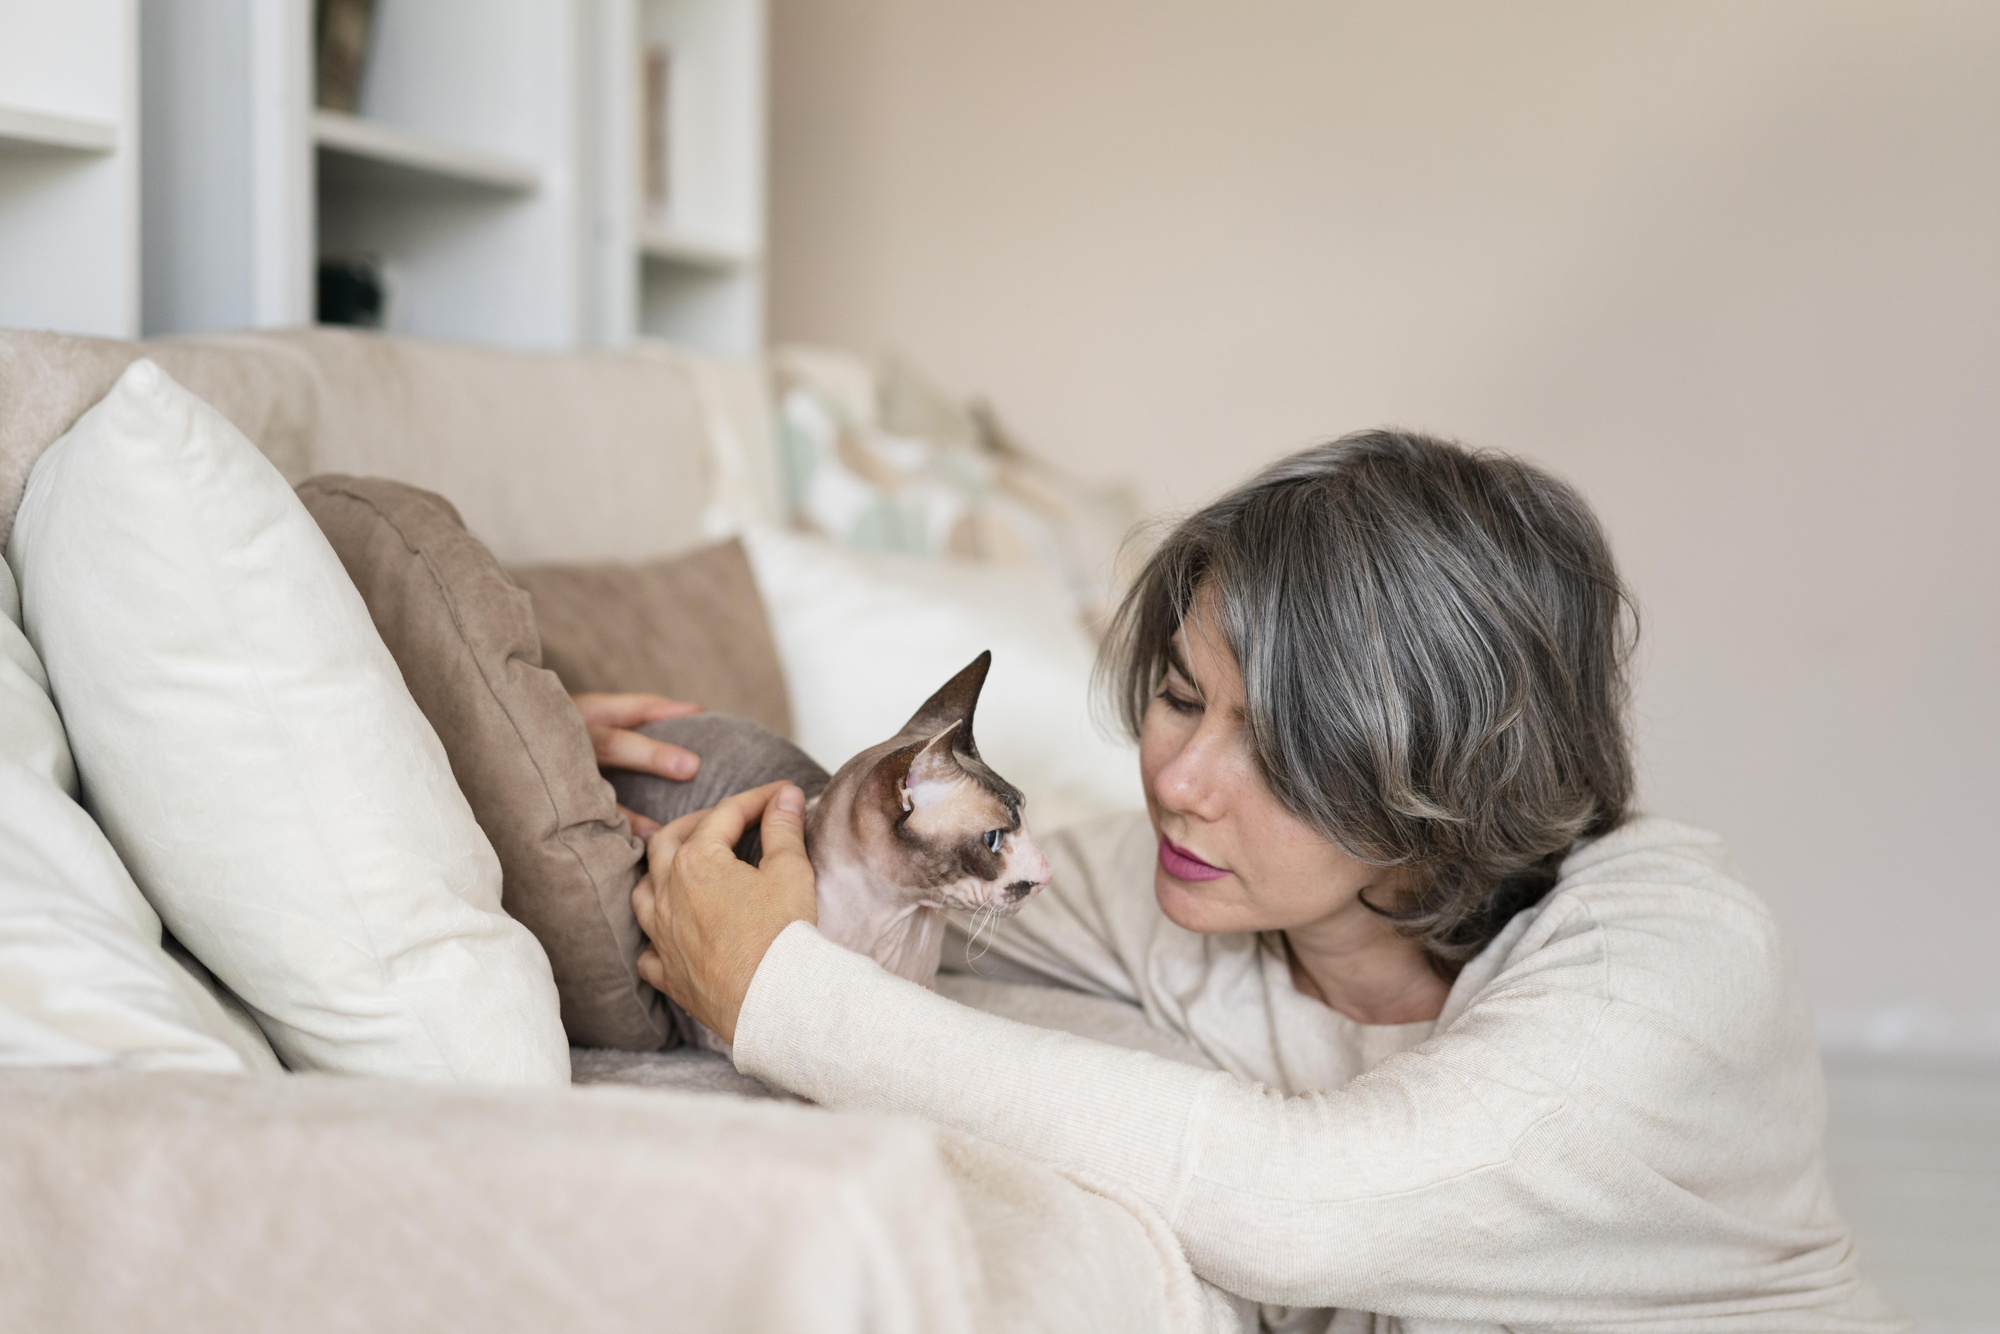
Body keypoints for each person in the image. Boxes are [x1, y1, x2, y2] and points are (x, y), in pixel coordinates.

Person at [620, 432, 1904, 1331]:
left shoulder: (1667, 964)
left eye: (1280, 749)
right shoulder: (1194, 898)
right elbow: (878, 875)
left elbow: (1302, 1206)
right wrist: (559, 752)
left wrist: (778, 997)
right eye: (1178, 694)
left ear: (1438, 782)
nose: (1177, 777)